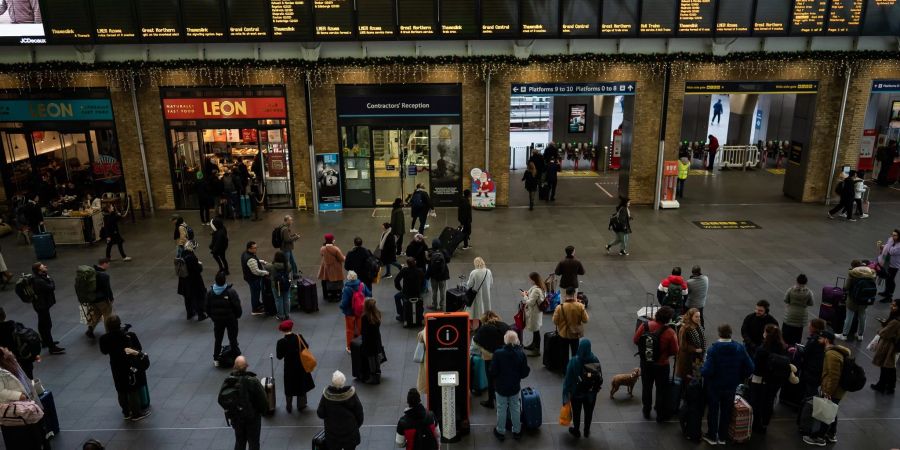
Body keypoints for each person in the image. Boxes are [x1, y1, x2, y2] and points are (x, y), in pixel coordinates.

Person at [701, 324, 754, 445]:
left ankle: (712, 436)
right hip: (731, 385)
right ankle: (723, 437)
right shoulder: (739, 348)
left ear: (719, 334)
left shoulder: (713, 349)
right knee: (726, 411)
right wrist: (740, 377)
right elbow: (750, 367)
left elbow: (707, 371)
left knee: (713, 411)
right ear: (730, 333)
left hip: (715, 386)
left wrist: (702, 370)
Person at [99, 314, 151, 421]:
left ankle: (126, 412)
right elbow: (137, 348)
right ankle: (136, 413)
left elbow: (104, 351)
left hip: (115, 366)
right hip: (128, 365)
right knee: (132, 389)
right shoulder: (127, 336)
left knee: (120, 389)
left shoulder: (104, 338)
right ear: (119, 324)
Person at [632, 305, 678, 421]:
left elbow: (635, 340)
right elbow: (675, 350)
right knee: (661, 389)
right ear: (668, 319)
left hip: (646, 363)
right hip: (662, 365)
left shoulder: (645, 325)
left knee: (646, 387)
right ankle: (659, 412)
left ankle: (646, 410)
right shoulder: (670, 332)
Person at [803, 331, 848, 445]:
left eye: (820, 339)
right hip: (836, 389)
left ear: (826, 340)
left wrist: (828, 391)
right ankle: (831, 434)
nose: (818, 341)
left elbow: (833, 376)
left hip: (832, 390)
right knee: (832, 410)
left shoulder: (831, 354)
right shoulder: (836, 352)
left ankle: (819, 437)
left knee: (826, 413)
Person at [0, 347, 48, 450]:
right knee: (23, 436)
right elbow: (1, 392)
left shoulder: (10, 360)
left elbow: (23, 378)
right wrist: (19, 396)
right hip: (15, 409)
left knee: (35, 430)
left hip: (27, 401)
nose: (4, 349)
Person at [489, 330, 530, 441]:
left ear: (505, 340)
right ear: (516, 340)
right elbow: (525, 372)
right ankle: (517, 431)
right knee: (515, 408)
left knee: (501, 409)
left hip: (501, 387)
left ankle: (500, 431)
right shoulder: (521, 354)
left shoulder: (498, 353)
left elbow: (493, 371)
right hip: (514, 386)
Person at [221, 356, 268, 450]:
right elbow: (263, 401)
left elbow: (222, 398)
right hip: (252, 419)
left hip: (237, 418)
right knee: (254, 443)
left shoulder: (229, 381)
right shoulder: (253, 381)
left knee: (239, 442)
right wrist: (261, 411)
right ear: (247, 366)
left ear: (234, 366)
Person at [748, 324, 788, 434]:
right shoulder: (782, 347)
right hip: (775, 380)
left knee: (757, 402)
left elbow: (756, 367)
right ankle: (765, 424)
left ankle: (756, 424)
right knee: (769, 401)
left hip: (760, 380)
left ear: (766, 334)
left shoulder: (762, 349)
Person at [562, 338, 601, 439]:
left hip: (577, 393)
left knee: (576, 413)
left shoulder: (574, 361)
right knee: (589, 413)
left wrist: (565, 396)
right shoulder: (595, 360)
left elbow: (567, 380)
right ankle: (586, 431)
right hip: (590, 394)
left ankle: (576, 430)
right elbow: (599, 377)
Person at [317, 370, 364, 450]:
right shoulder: (351, 394)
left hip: (332, 434)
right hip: (350, 431)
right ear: (344, 381)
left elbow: (320, 413)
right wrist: (355, 426)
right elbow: (359, 413)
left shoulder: (327, 396)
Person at [275, 320, 315, 412]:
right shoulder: (298, 337)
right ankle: (301, 405)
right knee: (301, 384)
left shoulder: (281, 342)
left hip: (289, 368)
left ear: (282, 330)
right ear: (291, 328)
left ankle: (289, 406)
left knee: (289, 386)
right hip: (300, 366)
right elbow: (306, 347)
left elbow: (279, 357)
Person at [473, 311, 509, 409]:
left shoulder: (484, 328)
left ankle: (490, 401)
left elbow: (476, 341)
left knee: (490, 378)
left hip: (489, 356)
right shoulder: (504, 325)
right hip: (503, 356)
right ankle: (502, 398)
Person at [206, 271, 242, 366]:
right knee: (233, 339)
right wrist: (237, 316)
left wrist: (213, 317)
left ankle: (216, 357)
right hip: (231, 320)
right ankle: (237, 358)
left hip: (218, 321)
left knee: (218, 339)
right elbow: (237, 306)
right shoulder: (231, 292)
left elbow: (207, 308)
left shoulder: (210, 293)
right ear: (224, 280)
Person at [838, 260, 877, 341]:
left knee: (849, 317)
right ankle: (860, 335)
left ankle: (844, 335)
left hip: (853, 299)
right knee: (862, 316)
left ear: (853, 266)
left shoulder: (853, 273)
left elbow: (846, 287)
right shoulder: (870, 273)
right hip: (865, 299)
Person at [30, 262, 64, 354]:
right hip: (42, 306)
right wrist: (50, 279)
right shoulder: (39, 281)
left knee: (42, 325)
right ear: (39, 270)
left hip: (40, 305)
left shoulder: (38, 278)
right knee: (46, 326)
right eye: (42, 266)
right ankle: (52, 347)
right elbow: (51, 287)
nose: (45, 266)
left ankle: (45, 342)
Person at [869, 299, 899, 395]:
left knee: (885, 366)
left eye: (894, 306)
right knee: (890, 367)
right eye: (892, 304)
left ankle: (882, 385)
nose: (891, 306)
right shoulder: (896, 318)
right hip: (893, 346)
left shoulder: (896, 321)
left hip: (888, 346)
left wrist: (881, 329)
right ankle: (889, 386)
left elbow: (884, 333)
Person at [0, 308, 37, 379]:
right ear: (4, 315)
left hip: (9, 364)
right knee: (29, 379)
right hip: (25, 359)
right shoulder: (17, 325)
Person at [553, 287, 590, 357]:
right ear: (574, 294)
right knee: (575, 353)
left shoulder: (559, 307)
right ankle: (573, 366)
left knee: (564, 354)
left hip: (563, 334)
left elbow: (555, 321)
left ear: (566, 295)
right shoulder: (580, 306)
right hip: (575, 334)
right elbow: (586, 320)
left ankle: (565, 367)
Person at [83, 258, 115, 339]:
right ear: (104, 264)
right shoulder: (104, 275)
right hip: (102, 300)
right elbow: (107, 289)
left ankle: (90, 329)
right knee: (107, 315)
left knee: (96, 314)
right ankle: (109, 333)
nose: (109, 265)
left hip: (92, 299)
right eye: (108, 264)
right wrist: (111, 298)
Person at [340, 271, 370, 352]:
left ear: (348, 278)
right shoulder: (362, 285)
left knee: (350, 329)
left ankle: (350, 347)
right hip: (360, 311)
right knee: (360, 328)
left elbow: (345, 303)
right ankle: (361, 344)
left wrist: (341, 306)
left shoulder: (347, 288)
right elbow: (369, 294)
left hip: (350, 312)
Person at [674, 308, 706, 381]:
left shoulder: (697, 325)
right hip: (687, 359)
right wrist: (695, 349)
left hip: (696, 357)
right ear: (690, 317)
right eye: (696, 317)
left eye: (699, 316)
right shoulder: (684, 328)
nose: (698, 318)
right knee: (686, 380)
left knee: (695, 379)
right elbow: (682, 345)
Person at [782, 274, 814, 346]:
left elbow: (785, 300)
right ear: (806, 282)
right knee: (797, 336)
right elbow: (811, 303)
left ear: (797, 281)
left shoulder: (790, 290)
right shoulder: (809, 292)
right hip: (801, 317)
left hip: (789, 315)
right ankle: (795, 351)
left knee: (786, 335)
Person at [799, 318, 827, 398]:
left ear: (814, 327)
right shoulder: (823, 338)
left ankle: (809, 406)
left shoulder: (814, 339)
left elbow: (806, 352)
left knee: (810, 391)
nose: (808, 327)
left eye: (810, 325)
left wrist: (799, 348)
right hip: (817, 369)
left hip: (811, 369)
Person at [178, 246, 207, 321]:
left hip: (184, 282)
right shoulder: (192, 257)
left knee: (187, 298)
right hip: (194, 282)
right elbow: (197, 269)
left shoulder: (181, 256)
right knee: (197, 298)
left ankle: (189, 314)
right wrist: (200, 266)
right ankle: (201, 314)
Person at [241, 241, 269, 316]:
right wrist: (266, 272)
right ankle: (255, 309)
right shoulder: (250, 258)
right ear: (249, 249)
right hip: (253, 279)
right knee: (255, 293)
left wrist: (261, 261)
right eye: (254, 248)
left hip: (249, 277)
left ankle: (258, 304)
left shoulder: (245, 253)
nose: (256, 249)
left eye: (256, 247)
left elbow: (253, 262)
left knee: (255, 292)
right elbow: (256, 271)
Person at [393, 257, 425, 321]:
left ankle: (401, 315)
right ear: (415, 262)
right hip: (417, 293)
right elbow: (423, 282)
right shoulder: (420, 271)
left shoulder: (404, 270)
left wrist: (400, 288)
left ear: (407, 264)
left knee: (397, 297)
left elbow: (396, 280)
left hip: (406, 292)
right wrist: (420, 290)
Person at [360, 298, 384, 385]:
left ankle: (373, 377)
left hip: (368, 341)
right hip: (377, 339)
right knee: (376, 356)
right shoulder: (377, 314)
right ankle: (378, 373)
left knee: (371, 358)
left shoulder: (364, 317)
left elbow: (363, 331)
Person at [521, 272, 545, 356]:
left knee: (536, 331)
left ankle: (537, 350)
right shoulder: (539, 287)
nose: (529, 280)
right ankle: (533, 345)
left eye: (530, 279)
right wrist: (528, 293)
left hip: (534, 313)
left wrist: (524, 296)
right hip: (536, 312)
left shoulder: (536, 290)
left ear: (534, 280)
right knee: (536, 330)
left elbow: (530, 303)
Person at [318, 233, 345, 299]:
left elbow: (322, 255)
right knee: (336, 280)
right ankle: (336, 294)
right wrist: (345, 257)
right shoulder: (336, 249)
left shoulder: (322, 248)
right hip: (335, 267)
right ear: (332, 240)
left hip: (326, 267)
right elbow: (341, 259)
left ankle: (327, 294)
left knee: (326, 279)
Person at [426, 239, 450, 311]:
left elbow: (427, 262)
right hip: (443, 275)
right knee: (442, 291)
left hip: (434, 276)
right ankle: (442, 306)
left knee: (434, 291)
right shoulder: (444, 251)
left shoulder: (431, 252)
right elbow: (448, 260)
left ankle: (434, 305)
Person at [878, 229, 900, 304]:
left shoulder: (898, 245)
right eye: (892, 234)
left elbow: (891, 251)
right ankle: (886, 292)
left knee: (890, 280)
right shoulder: (892, 241)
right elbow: (887, 247)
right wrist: (883, 246)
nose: (892, 236)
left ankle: (889, 296)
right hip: (887, 263)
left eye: (895, 235)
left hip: (893, 266)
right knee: (887, 278)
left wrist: (889, 244)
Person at [268, 251, 291, 321]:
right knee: (286, 299)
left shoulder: (272, 266)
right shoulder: (288, 265)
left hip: (276, 285)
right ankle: (287, 314)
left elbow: (266, 268)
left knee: (278, 300)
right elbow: (290, 270)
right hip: (286, 284)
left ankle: (281, 315)